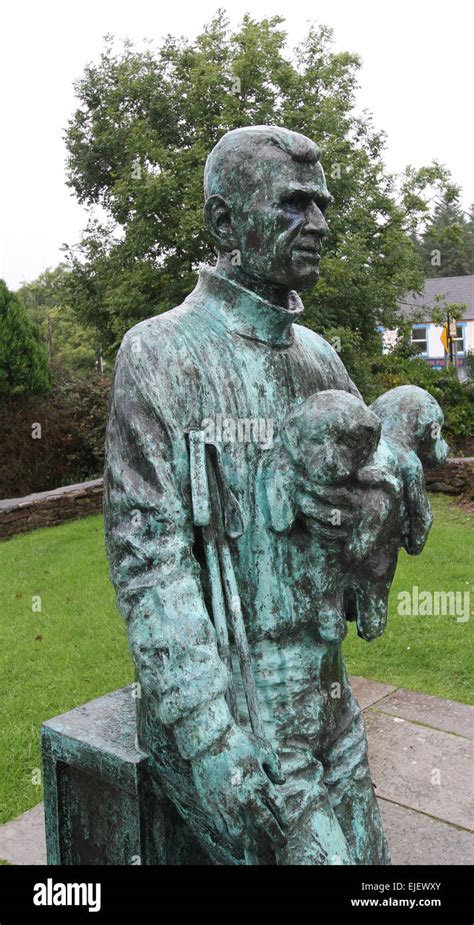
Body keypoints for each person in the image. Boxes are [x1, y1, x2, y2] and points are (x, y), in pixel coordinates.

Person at [104, 125, 398, 864]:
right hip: (232, 722)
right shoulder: (158, 354)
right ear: (226, 223)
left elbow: (388, 486)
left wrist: (377, 511)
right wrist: (213, 743)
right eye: (295, 205)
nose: (321, 224)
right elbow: (150, 568)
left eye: (323, 205)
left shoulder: (323, 360)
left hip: (328, 707)